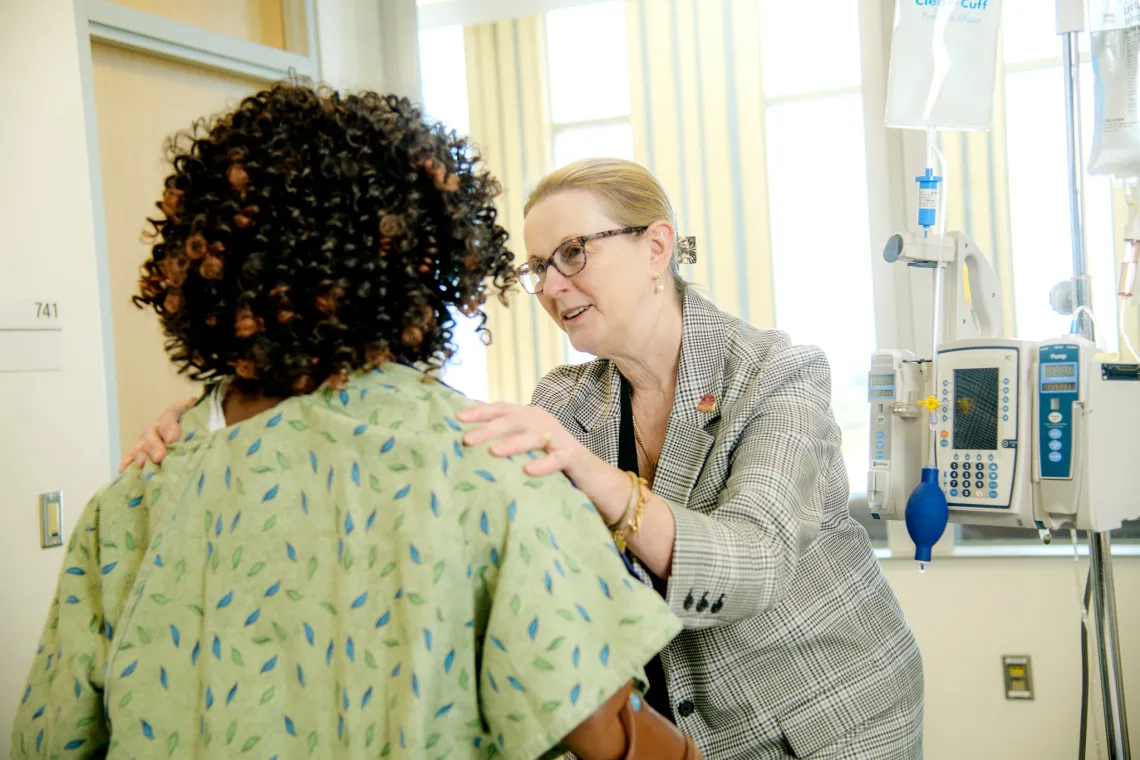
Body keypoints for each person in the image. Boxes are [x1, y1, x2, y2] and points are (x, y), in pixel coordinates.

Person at [122, 156, 924, 758]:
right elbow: (446, 468)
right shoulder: (566, 399)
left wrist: (596, 478)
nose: (548, 283)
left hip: (824, 718)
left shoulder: (778, 374)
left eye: (572, 252)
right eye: (535, 266)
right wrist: (225, 417)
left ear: (656, 248)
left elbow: (752, 565)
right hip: (689, 728)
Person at [11, 86, 702, 760]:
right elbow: (600, 726)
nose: (553, 285)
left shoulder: (131, 503)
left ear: (212, 263)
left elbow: (50, 738)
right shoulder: (495, 469)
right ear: (417, 260)